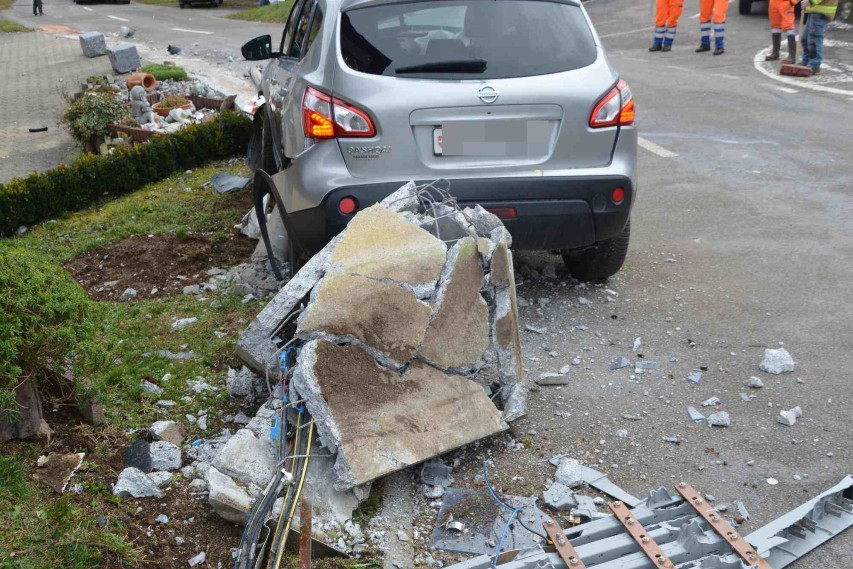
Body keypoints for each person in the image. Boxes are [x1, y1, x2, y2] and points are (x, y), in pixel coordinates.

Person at [800, 0, 838, 74]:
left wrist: (810, 1)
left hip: (821, 11)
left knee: (813, 39)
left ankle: (814, 65)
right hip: (814, 10)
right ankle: (806, 61)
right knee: (805, 38)